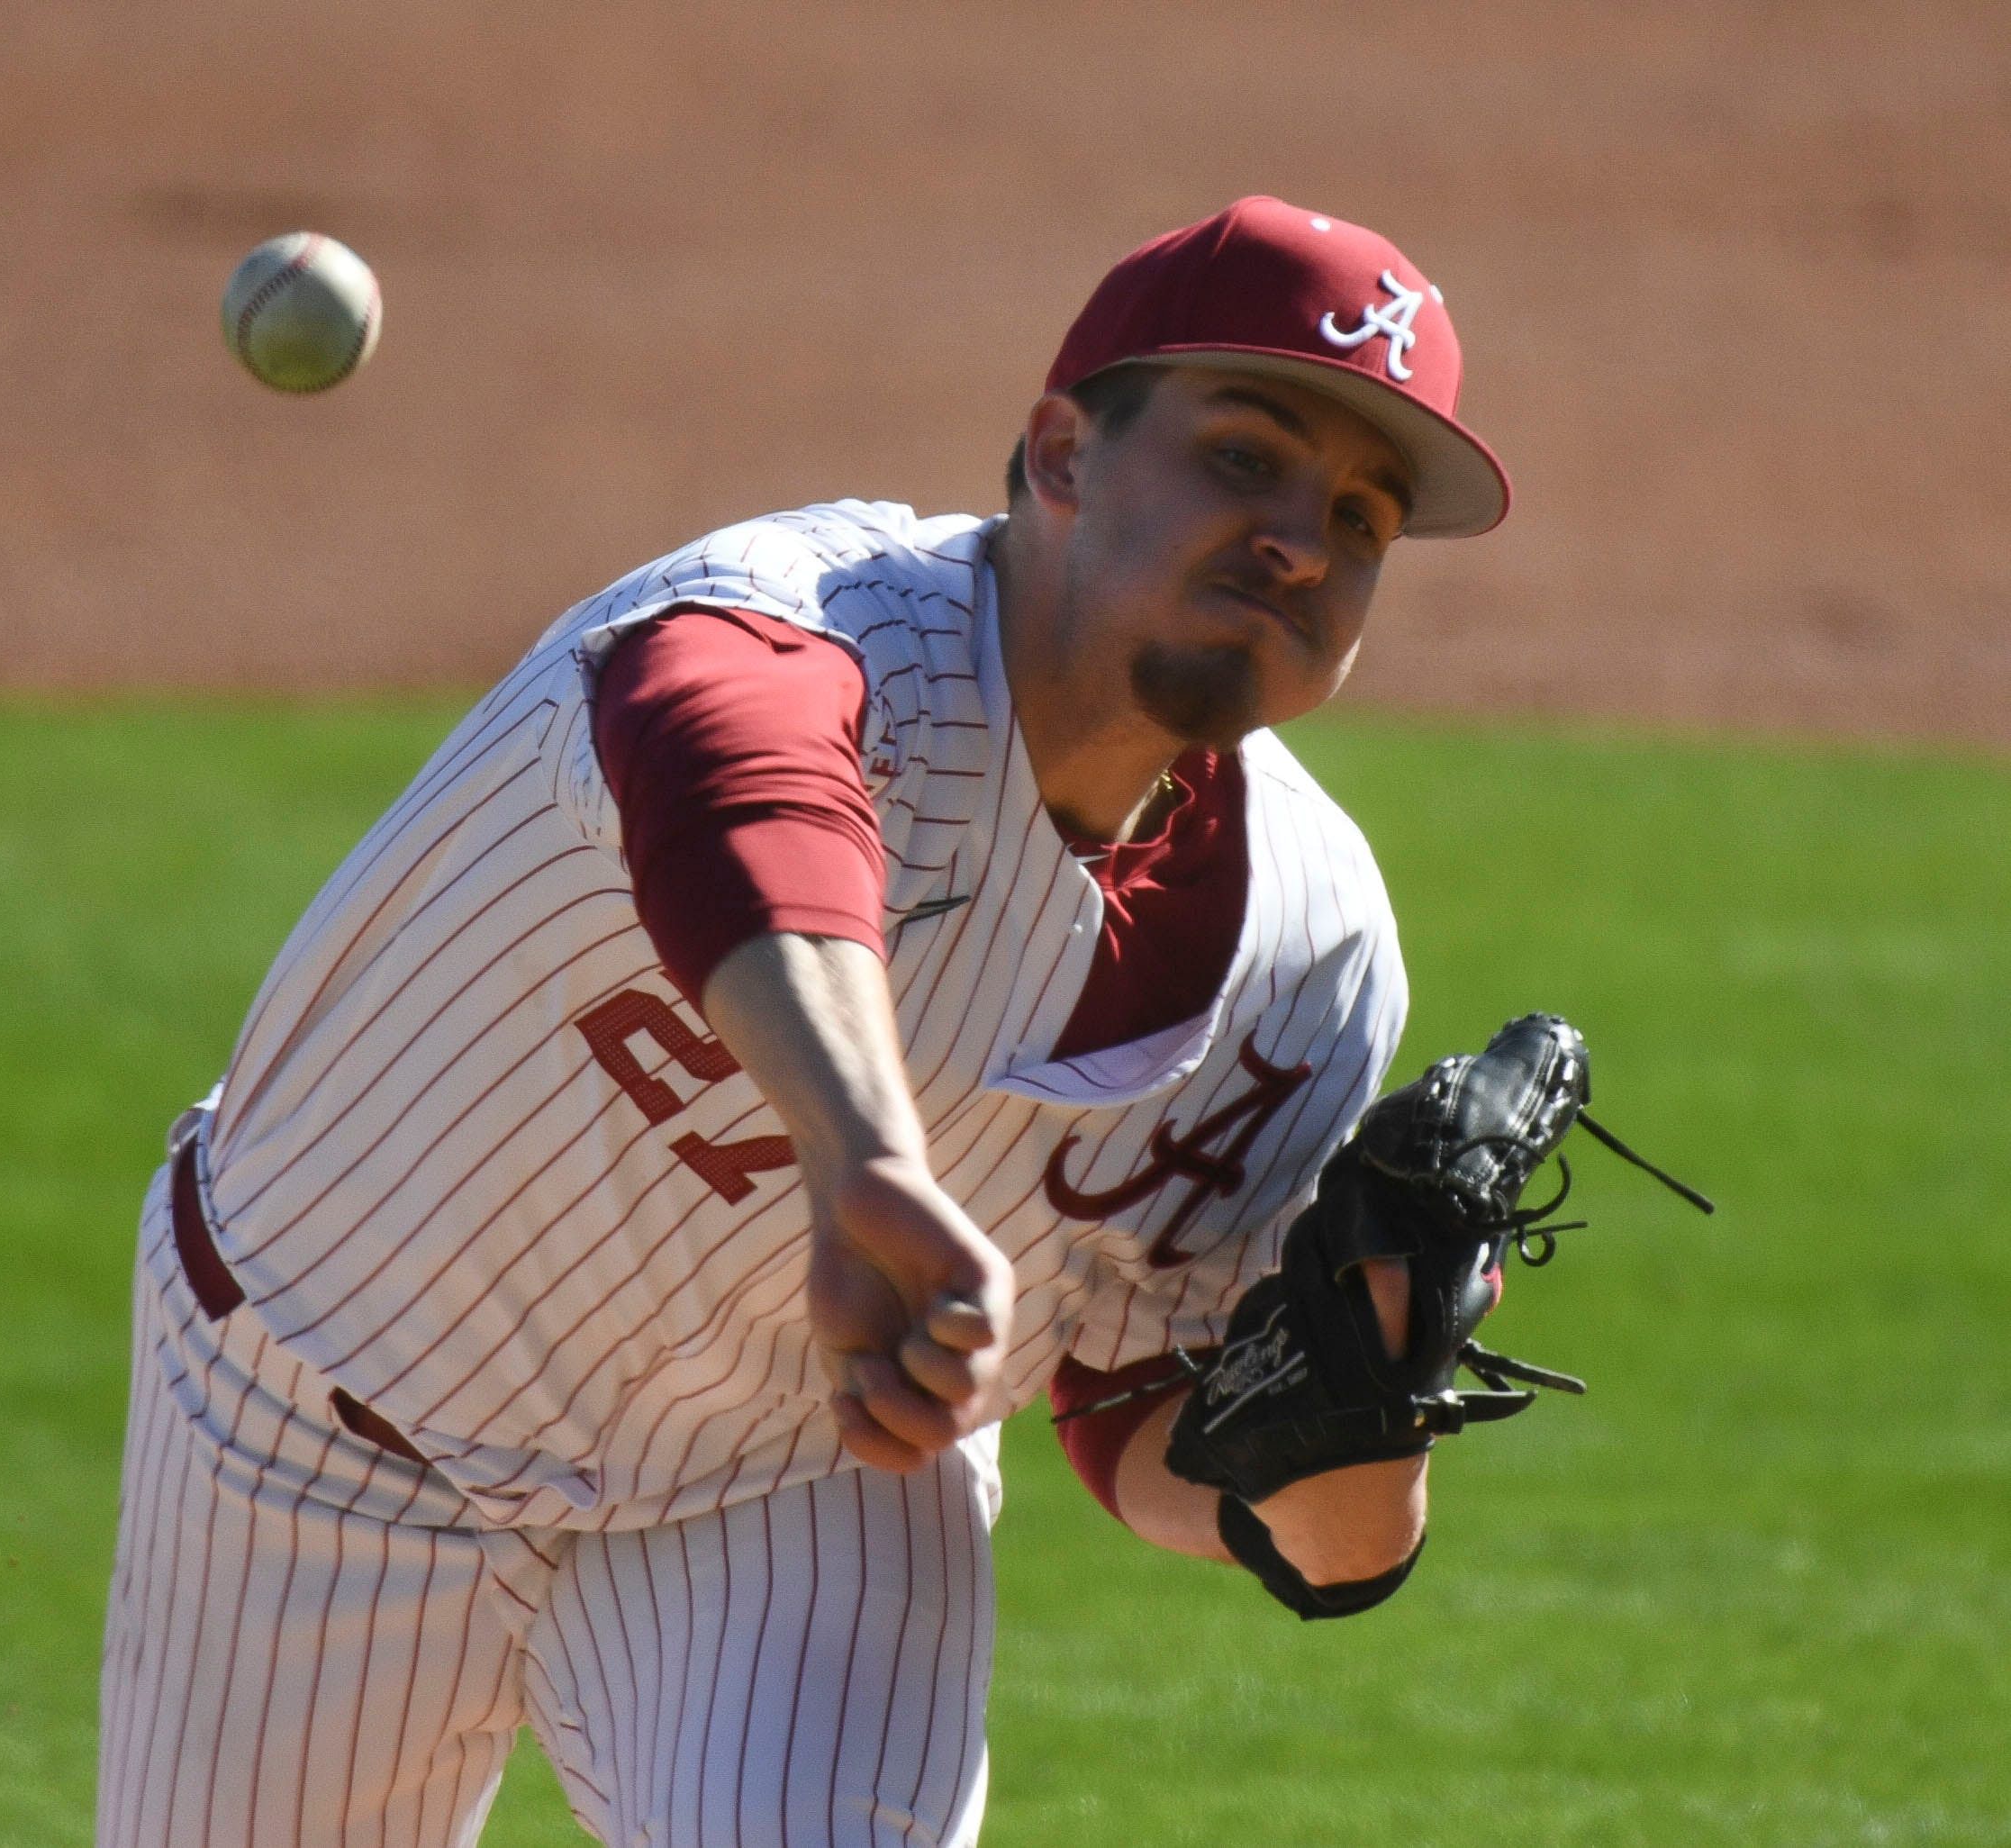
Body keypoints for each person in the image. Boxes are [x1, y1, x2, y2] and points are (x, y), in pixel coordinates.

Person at [97, 195, 1513, 1848]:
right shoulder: (790, 622)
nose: (1300, 540)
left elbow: (1142, 1420)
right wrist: (859, 1162)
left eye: (1360, 515)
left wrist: (1360, 1445)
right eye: (1246, 457)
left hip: (794, 1476)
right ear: (1062, 452)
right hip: (317, 1394)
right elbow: (737, 794)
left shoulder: (1313, 955)